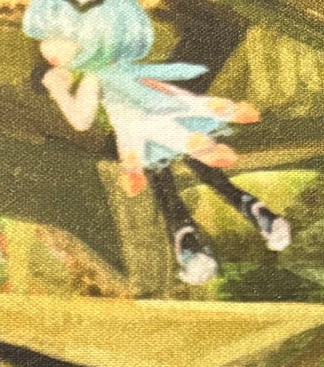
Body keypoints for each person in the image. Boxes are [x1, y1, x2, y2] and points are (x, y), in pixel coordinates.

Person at [23, 0, 289, 284]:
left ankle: (199, 234)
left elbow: (84, 117)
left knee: (169, 154)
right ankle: (227, 220)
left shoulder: (102, 65)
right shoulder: (98, 66)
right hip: (140, 120)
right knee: (170, 156)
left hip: (144, 117)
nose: (48, 48)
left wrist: (58, 88)